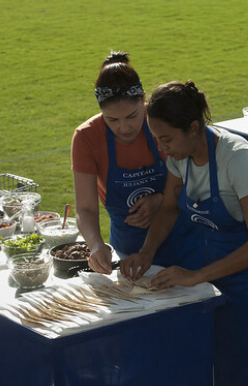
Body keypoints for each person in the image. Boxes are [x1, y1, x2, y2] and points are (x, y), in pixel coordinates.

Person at [120, 80, 248, 386]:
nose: (162, 148)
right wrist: (146, 251)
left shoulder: (236, 157)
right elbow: (169, 208)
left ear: (194, 127)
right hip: (221, 274)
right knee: (227, 373)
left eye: (167, 139)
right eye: (156, 139)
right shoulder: (180, 158)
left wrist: (196, 276)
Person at [71, 51, 201, 273]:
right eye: (112, 119)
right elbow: (85, 208)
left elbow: (195, 185)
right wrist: (95, 244)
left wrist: (161, 200)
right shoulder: (86, 137)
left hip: (183, 246)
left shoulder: (163, 124)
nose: (124, 128)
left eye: (132, 116)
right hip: (127, 250)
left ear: (143, 100)